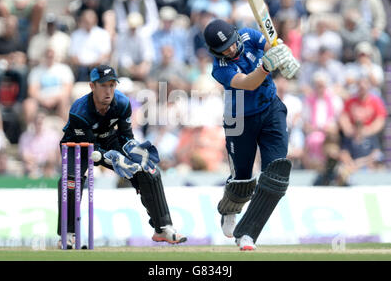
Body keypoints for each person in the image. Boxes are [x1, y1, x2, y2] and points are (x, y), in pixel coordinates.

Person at [57, 65, 186, 248]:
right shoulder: (79, 110)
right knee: (71, 180)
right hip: (77, 145)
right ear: (92, 86)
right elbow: (90, 148)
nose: (108, 90)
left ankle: (162, 228)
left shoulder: (122, 103)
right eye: (103, 85)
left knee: (150, 171)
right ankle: (68, 234)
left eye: (111, 85)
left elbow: (126, 136)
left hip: (109, 139)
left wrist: (134, 153)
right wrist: (114, 159)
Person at [203, 19, 299, 250]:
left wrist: (280, 50)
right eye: (223, 48)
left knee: (276, 175)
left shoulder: (247, 35)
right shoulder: (220, 67)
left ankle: (248, 234)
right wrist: (266, 67)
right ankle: (229, 209)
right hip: (239, 120)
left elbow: (269, 46)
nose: (230, 49)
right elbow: (247, 83)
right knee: (243, 180)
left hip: (270, 109)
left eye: (231, 43)